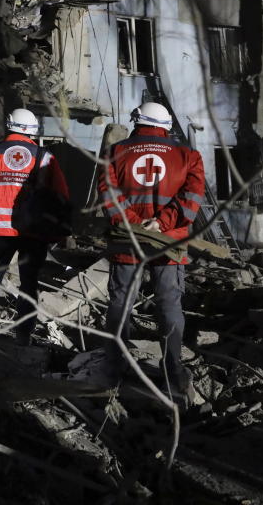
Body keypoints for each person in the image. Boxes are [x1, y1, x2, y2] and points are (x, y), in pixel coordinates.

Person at [98, 102, 205, 398]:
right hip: (168, 241)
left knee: (120, 301)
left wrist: (134, 224)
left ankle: (114, 368)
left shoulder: (113, 153)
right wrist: (162, 223)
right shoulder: (188, 156)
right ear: (167, 124)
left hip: (126, 238)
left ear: (136, 121)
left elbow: (108, 196)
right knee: (169, 302)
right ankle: (173, 371)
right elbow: (192, 197)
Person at [0, 108, 70, 344]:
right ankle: (24, 336)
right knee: (29, 283)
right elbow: (61, 195)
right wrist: (61, 229)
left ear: (9, 126)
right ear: (32, 130)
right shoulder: (44, 157)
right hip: (33, 232)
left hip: (0, 231)